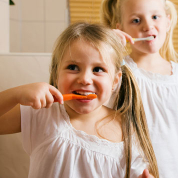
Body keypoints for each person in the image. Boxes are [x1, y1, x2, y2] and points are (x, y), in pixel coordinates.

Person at [0, 22, 159, 178]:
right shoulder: (42, 113)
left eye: (98, 69)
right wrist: (17, 94)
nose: (84, 79)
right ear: (56, 74)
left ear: (115, 81)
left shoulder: (127, 129)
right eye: (73, 67)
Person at [100, 0, 178, 178]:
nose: (147, 26)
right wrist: (108, 44)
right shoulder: (118, 71)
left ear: (168, 22)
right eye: (136, 20)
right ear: (121, 29)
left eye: (155, 17)